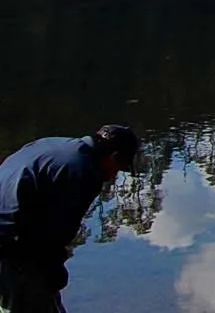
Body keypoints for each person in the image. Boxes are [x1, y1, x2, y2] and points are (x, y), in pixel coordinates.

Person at [0, 126, 140, 313]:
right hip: (10, 242)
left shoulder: (57, 145)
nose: (114, 176)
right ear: (113, 157)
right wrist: (54, 270)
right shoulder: (84, 171)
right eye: (119, 169)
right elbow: (58, 232)